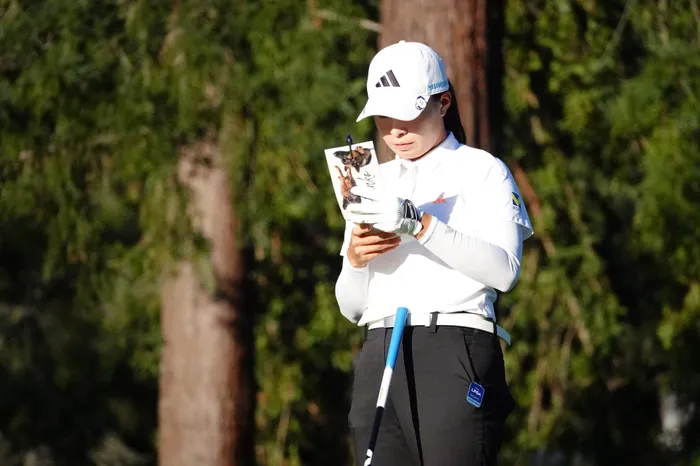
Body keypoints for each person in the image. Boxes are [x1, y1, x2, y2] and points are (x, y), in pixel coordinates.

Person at [334, 40, 534, 466]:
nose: (395, 130)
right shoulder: (371, 182)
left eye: (407, 115)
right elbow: (351, 307)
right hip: (378, 349)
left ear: (443, 103)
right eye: (384, 117)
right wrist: (355, 261)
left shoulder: (482, 170)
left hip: (452, 348)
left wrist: (420, 225)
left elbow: (505, 271)